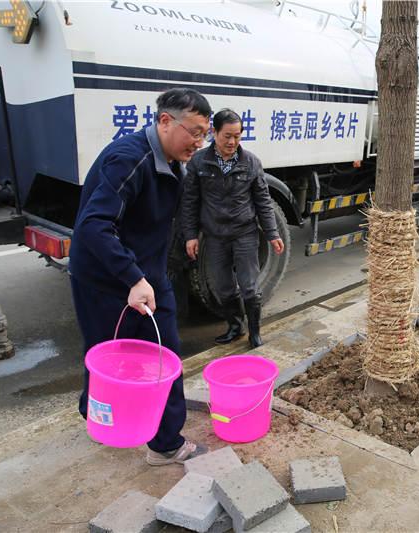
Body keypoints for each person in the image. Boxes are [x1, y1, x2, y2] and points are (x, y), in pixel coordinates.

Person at [70, 88, 212, 465]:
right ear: (165, 121)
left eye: (204, 134)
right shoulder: (130, 159)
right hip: (103, 277)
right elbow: (94, 226)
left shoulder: (170, 160)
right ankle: (137, 433)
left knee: (147, 352)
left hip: (143, 274)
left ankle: (135, 429)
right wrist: (133, 278)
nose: (199, 142)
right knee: (119, 353)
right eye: (194, 132)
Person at [181, 109, 284, 348]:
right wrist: (190, 236)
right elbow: (190, 202)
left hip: (244, 233)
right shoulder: (200, 162)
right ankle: (235, 326)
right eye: (227, 136)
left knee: (250, 287)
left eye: (237, 136)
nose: (232, 142)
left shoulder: (251, 162)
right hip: (215, 236)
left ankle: (255, 332)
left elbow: (263, 201)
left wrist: (272, 234)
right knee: (223, 288)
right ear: (214, 133)